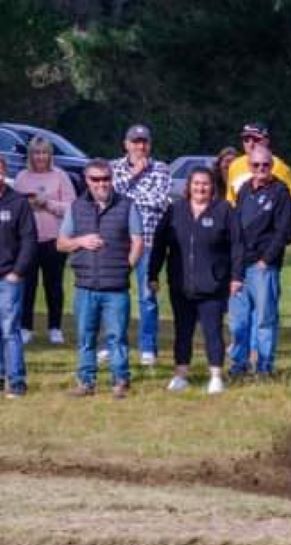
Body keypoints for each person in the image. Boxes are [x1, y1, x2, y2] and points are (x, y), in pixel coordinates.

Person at [149, 167, 241, 395]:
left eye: (206, 184)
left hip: (213, 284)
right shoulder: (174, 211)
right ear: (188, 187)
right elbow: (159, 245)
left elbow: (238, 246)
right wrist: (152, 274)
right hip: (181, 284)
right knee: (182, 331)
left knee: (213, 331)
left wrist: (236, 276)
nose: (201, 188)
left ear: (213, 188)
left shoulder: (224, 211)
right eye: (196, 184)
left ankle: (216, 377)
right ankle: (180, 375)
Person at [57, 158, 144, 399]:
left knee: (117, 336)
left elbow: (138, 241)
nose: (102, 184)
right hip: (85, 285)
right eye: (96, 179)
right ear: (87, 180)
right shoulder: (76, 207)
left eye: (106, 179)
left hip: (116, 287)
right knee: (86, 337)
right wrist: (80, 242)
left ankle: (120, 380)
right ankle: (86, 382)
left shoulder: (127, 205)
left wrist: (127, 266)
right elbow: (61, 243)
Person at [110, 123, 172, 367]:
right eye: (135, 142)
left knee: (147, 297)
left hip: (148, 242)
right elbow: (108, 195)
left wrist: (128, 198)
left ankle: (147, 347)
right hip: (118, 242)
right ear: (126, 144)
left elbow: (159, 201)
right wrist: (135, 174)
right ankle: (112, 342)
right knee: (113, 295)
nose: (140, 146)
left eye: (144, 142)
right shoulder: (113, 167)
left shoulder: (162, 169)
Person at [230, 143, 291, 378]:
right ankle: (238, 365)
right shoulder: (244, 189)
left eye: (266, 165)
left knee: (265, 320)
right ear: (249, 165)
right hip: (239, 266)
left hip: (263, 267)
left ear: (272, 166)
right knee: (239, 322)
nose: (261, 169)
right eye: (256, 165)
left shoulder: (280, 192)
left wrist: (266, 261)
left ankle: (264, 367)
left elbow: (284, 231)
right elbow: (236, 226)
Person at [13, 137, 76, 345]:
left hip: (54, 240)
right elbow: (15, 207)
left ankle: (55, 327)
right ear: (30, 155)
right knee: (27, 286)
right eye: (36, 153)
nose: (40, 157)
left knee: (54, 285)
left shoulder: (60, 176)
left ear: (50, 155)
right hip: (27, 241)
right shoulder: (22, 177)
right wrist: (27, 205)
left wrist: (47, 203)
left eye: (44, 153)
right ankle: (25, 327)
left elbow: (71, 208)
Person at [0, 158, 38, 398]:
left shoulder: (18, 203)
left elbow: (29, 240)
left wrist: (17, 271)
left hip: (8, 278)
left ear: (4, 173)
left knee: (9, 330)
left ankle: (16, 381)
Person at [225, 122, 291, 203]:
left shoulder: (281, 168)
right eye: (246, 140)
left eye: (256, 139)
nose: (251, 144)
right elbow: (230, 200)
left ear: (267, 141)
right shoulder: (235, 165)